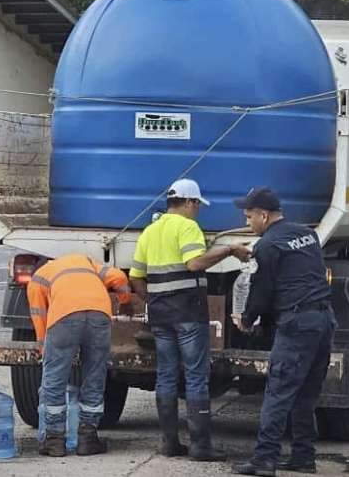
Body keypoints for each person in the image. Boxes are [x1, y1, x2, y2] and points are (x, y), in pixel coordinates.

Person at [129, 178, 251, 461]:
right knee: (196, 377)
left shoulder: (150, 230)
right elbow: (194, 263)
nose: (198, 210)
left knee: (166, 376)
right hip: (188, 314)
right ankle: (200, 447)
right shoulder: (188, 227)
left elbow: (136, 277)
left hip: (161, 316)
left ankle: (169, 444)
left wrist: (151, 301)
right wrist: (229, 250)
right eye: (197, 205)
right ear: (189, 202)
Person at [230, 187, 336, 477]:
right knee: (306, 393)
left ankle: (265, 459)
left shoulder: (268, 246)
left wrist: (248, 319)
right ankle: (303, 456)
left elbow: (262, 292)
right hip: (323, 320)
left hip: (297, 324)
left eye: (249, 216)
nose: (248, 222)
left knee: (278, 392)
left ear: (264, 216)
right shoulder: (308, 235)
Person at [27, 253, 132, 457]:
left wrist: (43, 348)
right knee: (95, 373)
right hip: (99, 312)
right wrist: (124, 299)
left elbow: (39, 316)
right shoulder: (84, 262)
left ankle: (55, 440)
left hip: (64, 315)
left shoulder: (38, 278)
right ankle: (88, 438)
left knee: (55, 378)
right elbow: (118, 277)